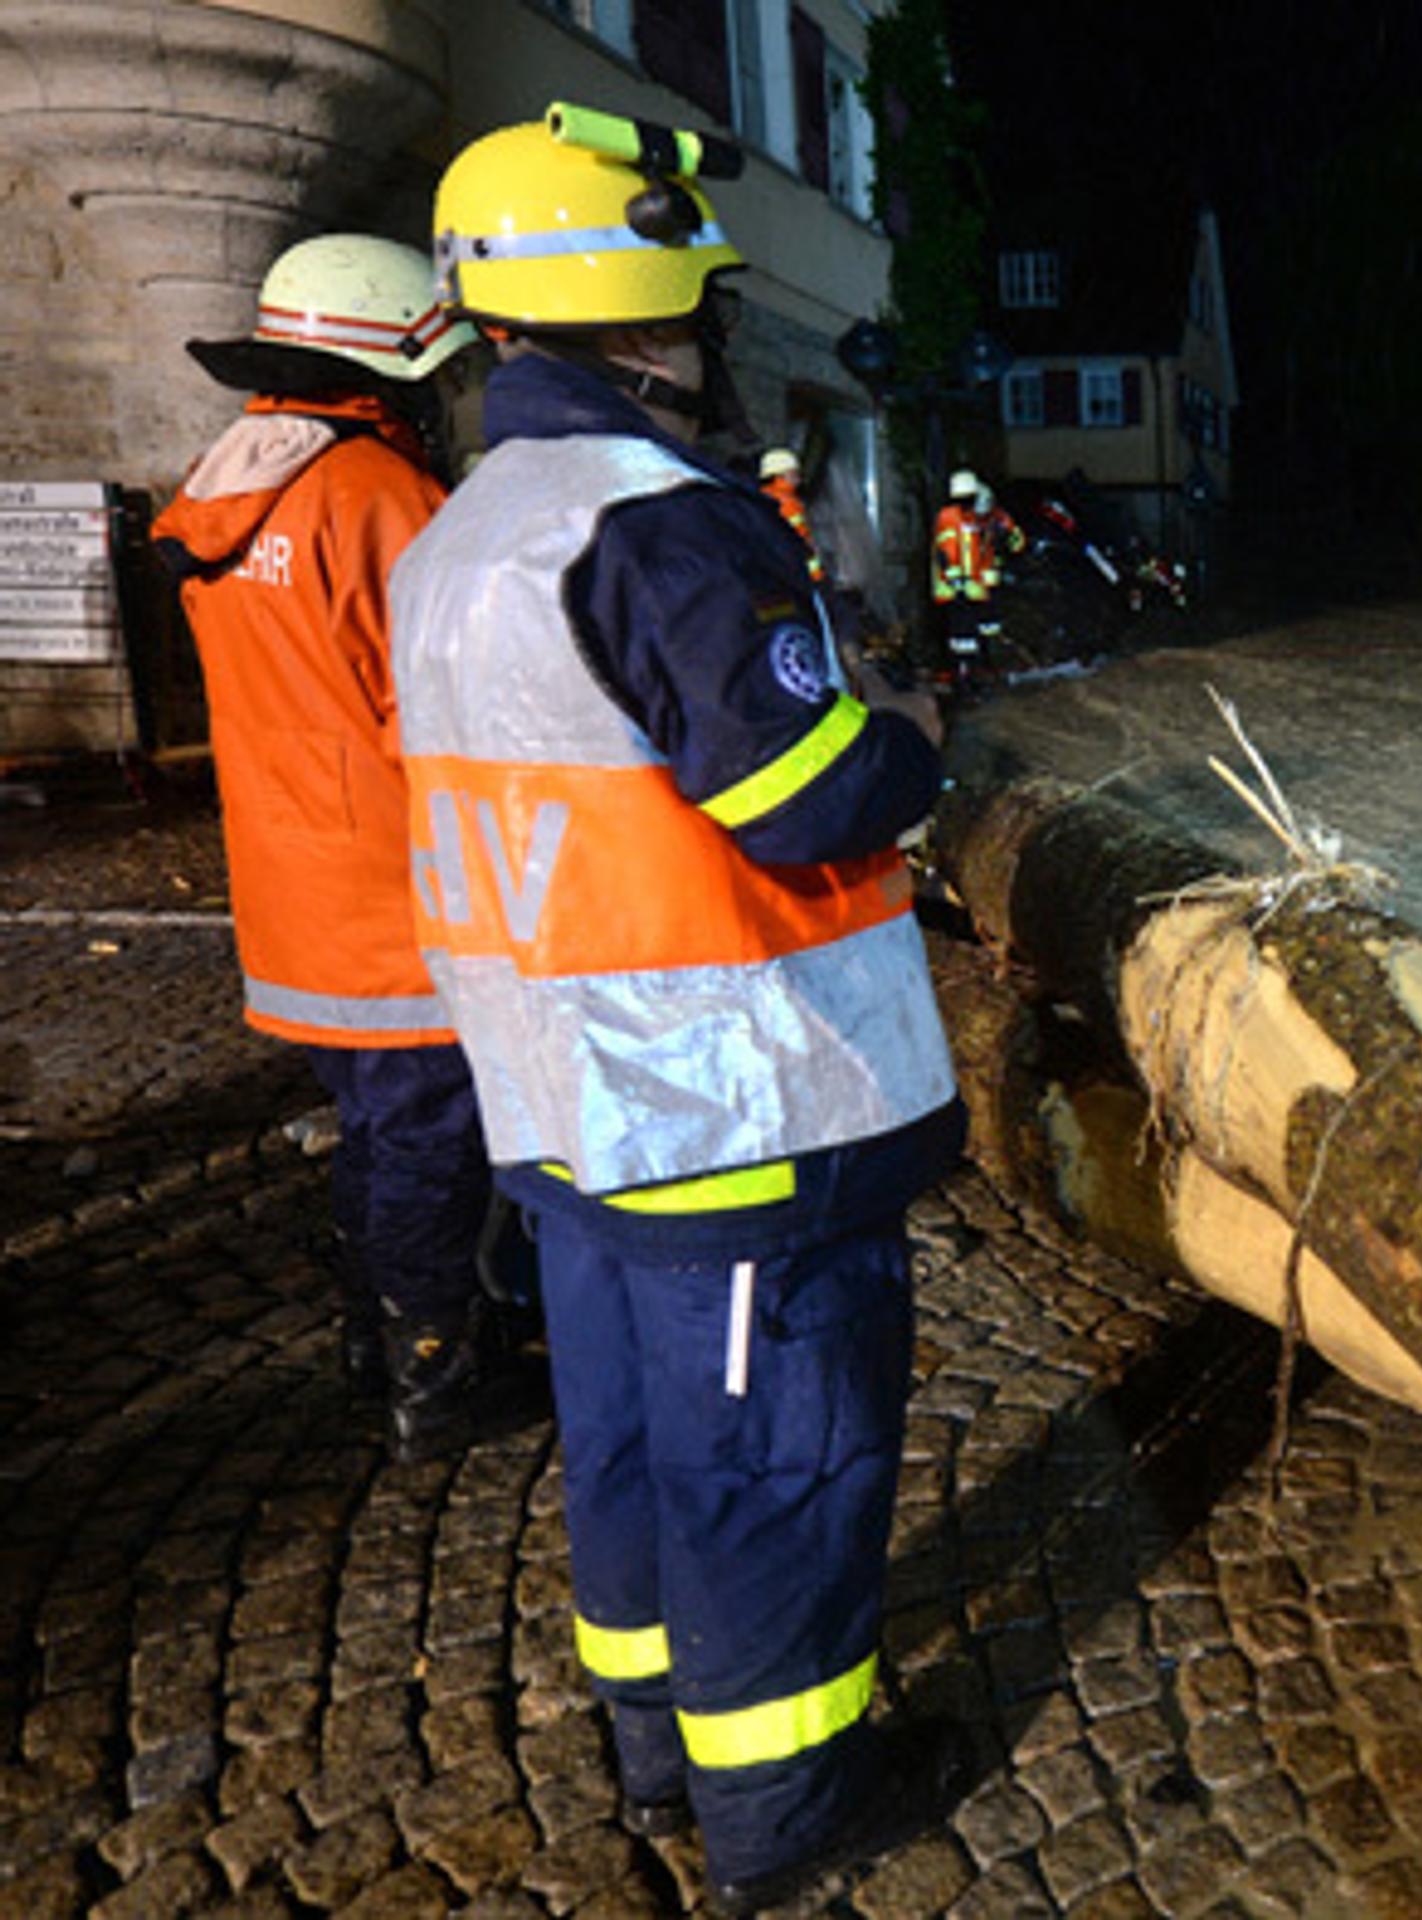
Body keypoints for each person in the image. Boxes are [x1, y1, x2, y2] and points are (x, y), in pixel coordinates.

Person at [394, 104, 971, 1910]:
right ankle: (790, 1813)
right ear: (644, 307)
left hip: (566, 1104)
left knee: (634, 1449)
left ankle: (655, 1753)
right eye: (701, 299)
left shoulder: (467, 530)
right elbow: (804, 797)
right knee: (776, 1474)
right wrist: (916, 749)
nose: (714, 334)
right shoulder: (659, 527)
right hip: (731, 1113)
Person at [146, 233, 548, 1463]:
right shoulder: (378, 494)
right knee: (432, 1135)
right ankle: (437, 1375)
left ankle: (374, 1342)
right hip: (397, 891)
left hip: (295, 886)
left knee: (380, 1131)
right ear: (390, 362)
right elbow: (455, 699)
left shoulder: (235, 482)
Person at [928, 468, 1020, 673]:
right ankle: (964, 676)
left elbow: (1016, 543)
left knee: (986, 630)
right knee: (963, 639)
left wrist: (1006, 538)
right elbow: (947, 554)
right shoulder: (952, 518)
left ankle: (985, 667)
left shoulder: (994, 518)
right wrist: (959, 583)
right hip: (956, 591)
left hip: (981, 590)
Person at [756, 446, 825, 581]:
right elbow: (800, 538)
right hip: (803, 572)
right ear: (781, 475)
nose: (798, 476)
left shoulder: (765, 496)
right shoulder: (787, 502)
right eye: (794, 472)